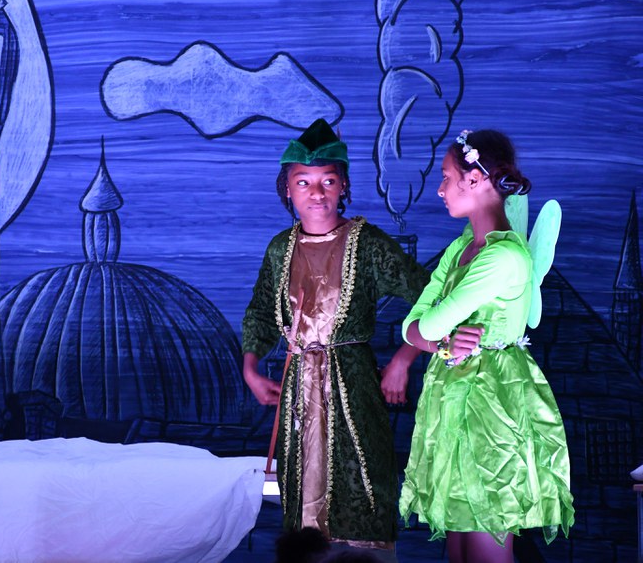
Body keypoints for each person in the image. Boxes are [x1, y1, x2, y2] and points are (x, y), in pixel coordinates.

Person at [241, 119, 429, 561]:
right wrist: (250, 369)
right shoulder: (280, 249)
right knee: (302, 499)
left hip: (353, 386)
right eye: (303, 182)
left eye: (327, 180)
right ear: (287, 190)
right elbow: (261, 314)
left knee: (361, 483)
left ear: (343, 185)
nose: (316, 192)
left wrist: (403, 359)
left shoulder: (368, 243)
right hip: (297, 392)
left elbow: (431, 297)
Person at [393, 129, 574, 562]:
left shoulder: (503, 257)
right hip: (453, 397)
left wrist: (433, 335)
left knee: (484, 532)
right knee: (459, 543)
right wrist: (440, 342)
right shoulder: (461, 248)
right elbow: (410, 328)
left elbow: (429, 323)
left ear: (474, 179)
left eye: (447, 177)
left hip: (491, 401)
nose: (440, 189)